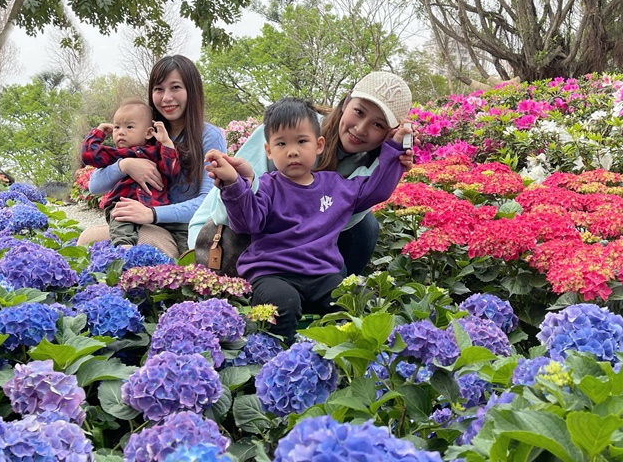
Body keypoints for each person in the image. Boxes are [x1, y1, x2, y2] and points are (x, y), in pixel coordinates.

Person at [205, 97, 412, 339]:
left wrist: (396, 148)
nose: (292, 151)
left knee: (359, 300)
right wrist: (233, 184)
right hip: (273, 274)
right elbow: (246, 222)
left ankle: (344, 360)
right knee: (282, 306)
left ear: (319, 145)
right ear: (269, 151)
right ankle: (279, 362)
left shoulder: (336, 186)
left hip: (322, 275)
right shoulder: (267, 187)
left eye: (302, 141)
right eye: (281, 144)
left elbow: (376, 189)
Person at [188, 71, 415, 275]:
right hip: (227, 234)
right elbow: (231, 213)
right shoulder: (294, 129)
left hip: (297, 244)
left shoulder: (368, 159)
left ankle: (332, 298)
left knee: (365, 227)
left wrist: (391, 157)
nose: (361, 128)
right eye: (358, 111)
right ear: (346, 102)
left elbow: (342, 221)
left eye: (378, 125)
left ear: (389, 132)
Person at [77, 55, 226, 256]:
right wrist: (126, 165)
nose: (166, 98)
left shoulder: (208, 136)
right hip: (139, 223)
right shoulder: (142, 130)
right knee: (88, 240)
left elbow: (208, 203)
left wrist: (152, 214)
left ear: (192, 90)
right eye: (159, 89)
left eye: (175, 87)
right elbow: (95, 186)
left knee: (148, 247)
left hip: (183, 227)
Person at [80, 99, 179, 247]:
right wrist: (98, 132)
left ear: (149, 133)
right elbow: (89, 155)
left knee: (179, 229)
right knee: (122, 224)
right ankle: (123, 248)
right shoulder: (117, 155)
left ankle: (186, 255)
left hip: (154, 208)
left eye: (129, 127)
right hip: (122, 205)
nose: (121, 132)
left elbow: (172, 171)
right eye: (117, 127)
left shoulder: (157, 152)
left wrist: (166, 143)